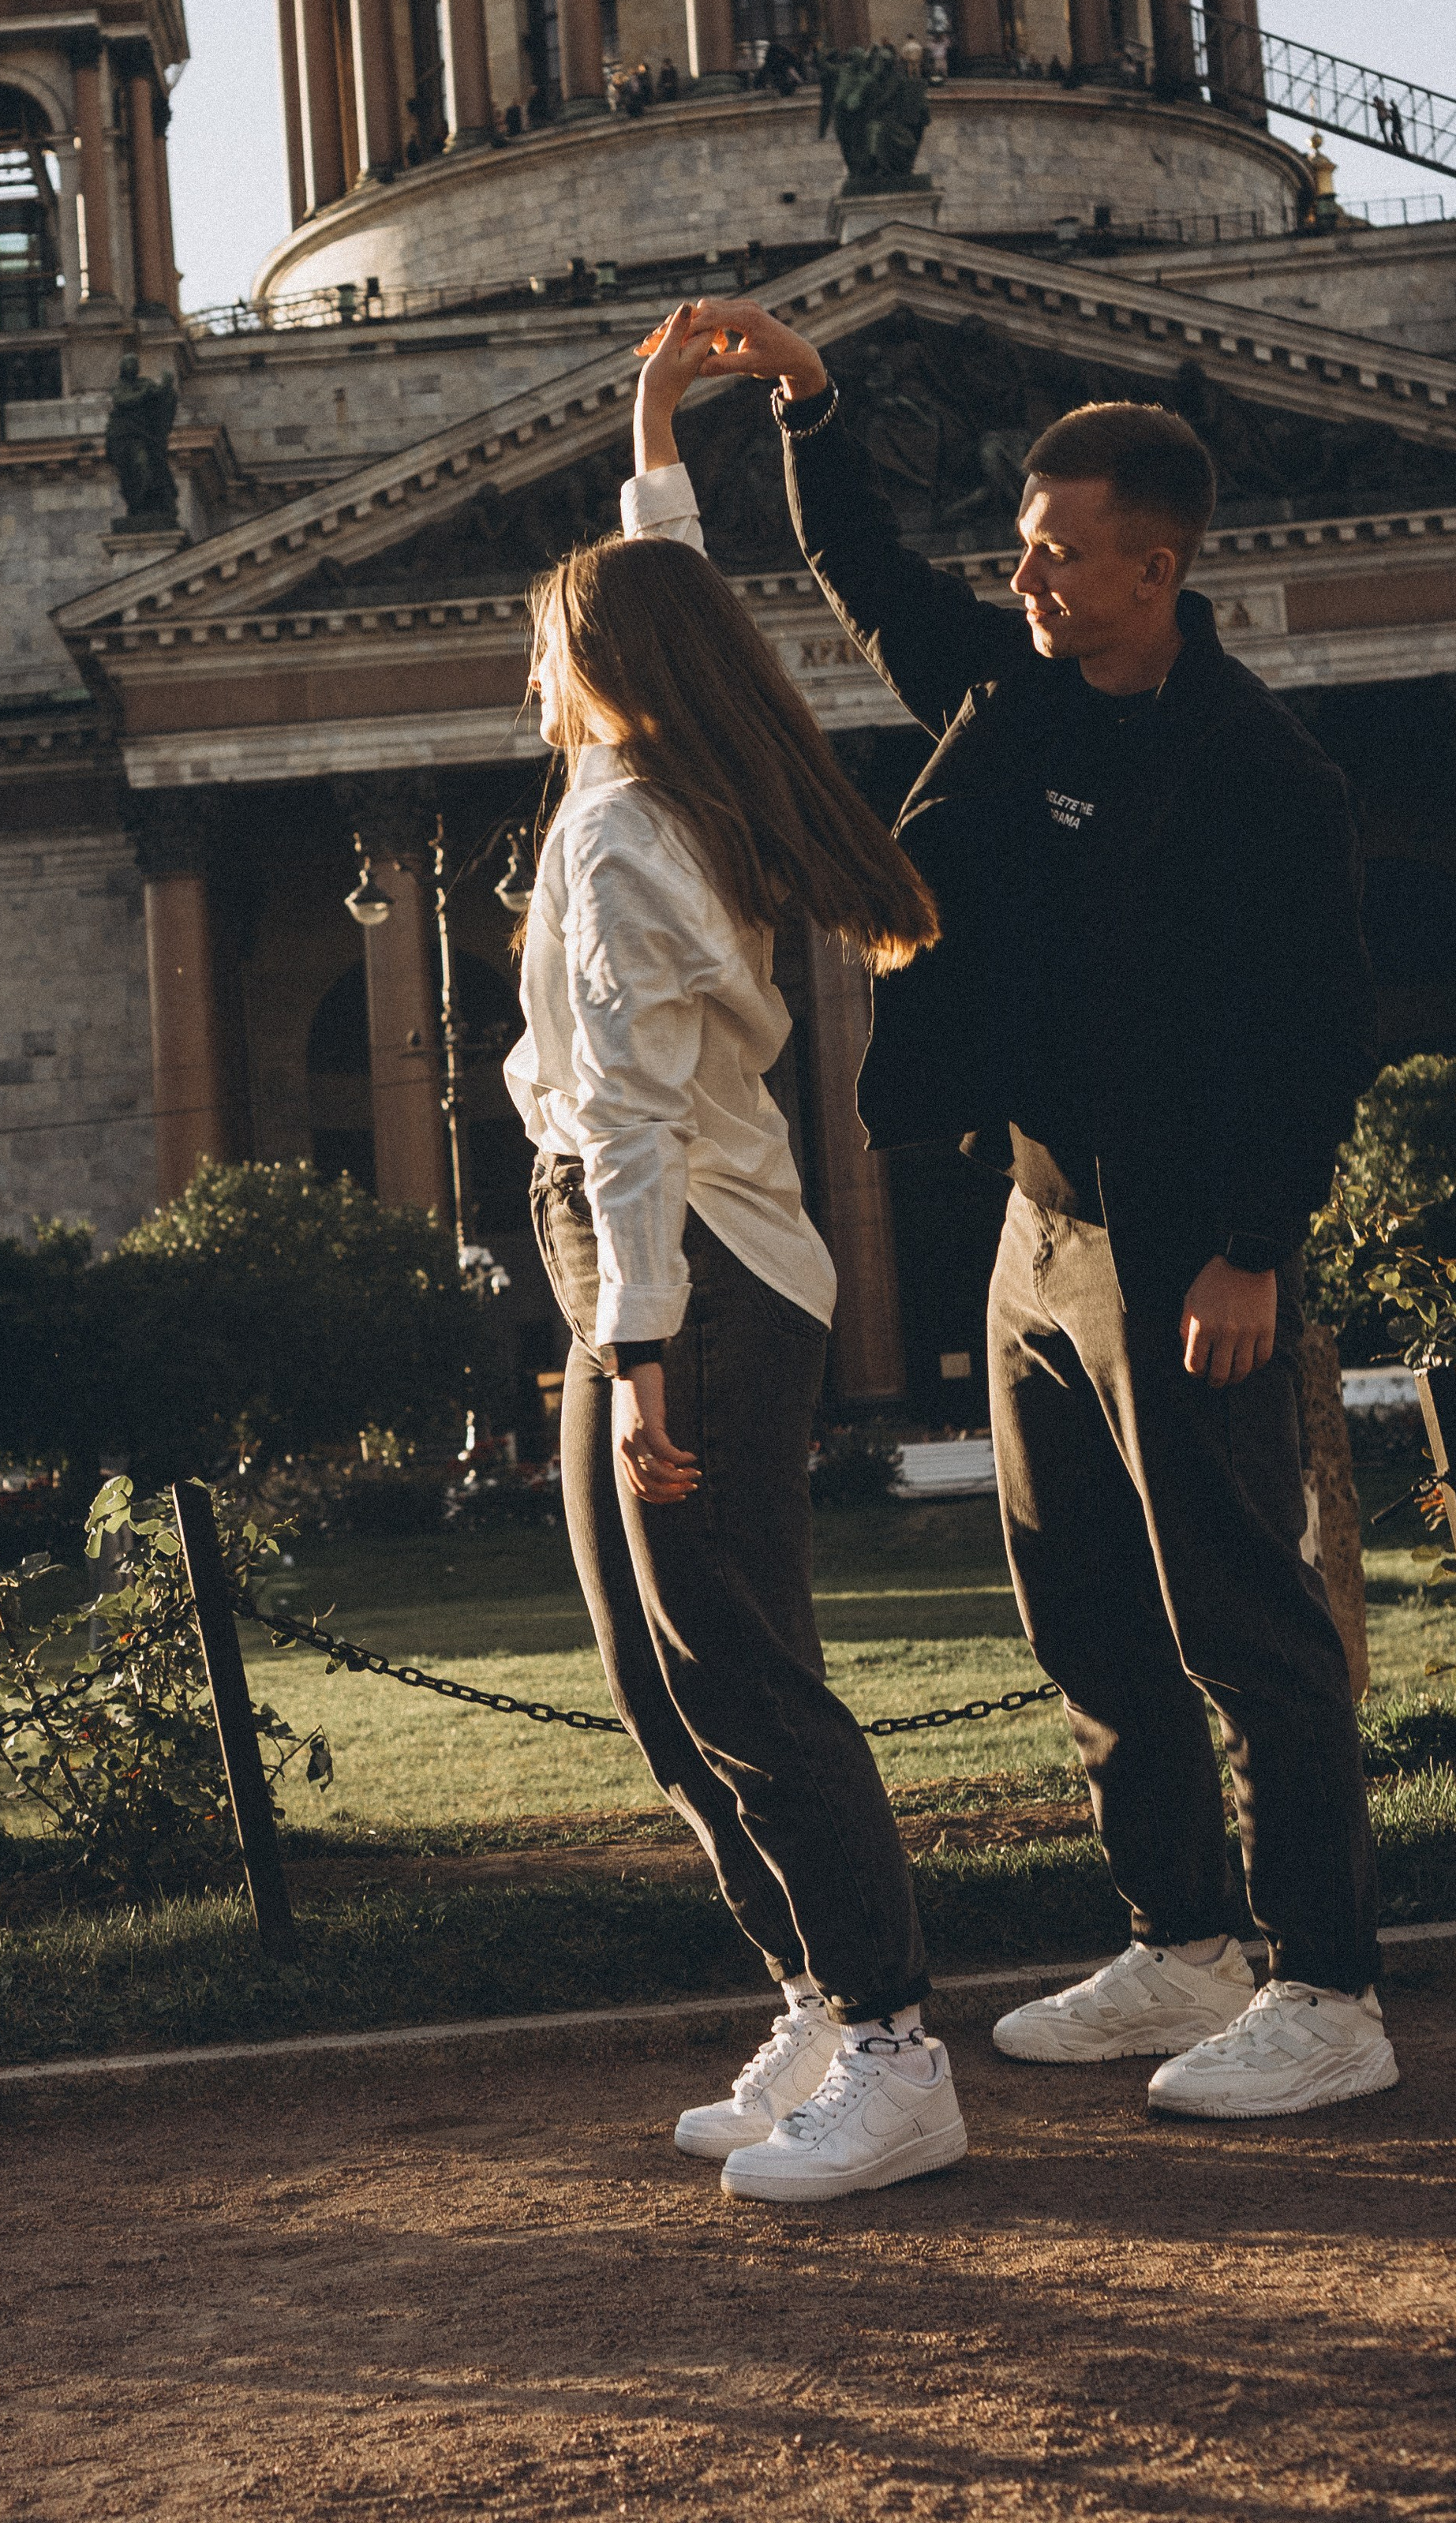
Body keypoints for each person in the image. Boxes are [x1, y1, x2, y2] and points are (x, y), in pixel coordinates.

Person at [686, 296, 1394, 2121]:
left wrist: (1251, 1241)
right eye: (1020, 546)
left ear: (1152, 569)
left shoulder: (1258, 772)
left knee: (1243, 1619)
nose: (1021, 577)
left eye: (1058, 555)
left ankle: (1326, 1985)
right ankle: (1182, 1943)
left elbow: (1317, 1028)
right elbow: (857, 572)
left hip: (1186, 1250)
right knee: (1076, 1604)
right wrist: (808, 404)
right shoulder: (1004, 686)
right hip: (1038, 1223)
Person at [504, 305, 968, 2204]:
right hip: (661, 1261)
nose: (525, 666)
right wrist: (654, 424)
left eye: (543, 640)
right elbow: (677, 589)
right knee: (656, 1669)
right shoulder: (656, 776)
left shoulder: (623, 831)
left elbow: (619, 1121)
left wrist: (632, 1364)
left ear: (589, 666)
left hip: (673, 1265)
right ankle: (808, 1992)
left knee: (744, 1673)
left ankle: (890, 2044)